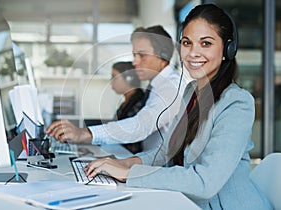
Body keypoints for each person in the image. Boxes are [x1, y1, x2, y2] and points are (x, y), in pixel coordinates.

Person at [83, 4, 272, 210]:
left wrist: (129, 173)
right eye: (187, 43)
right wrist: (125, 164)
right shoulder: (191, 92)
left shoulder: (236, 103)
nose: (193, 53)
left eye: (206, 43)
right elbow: (165, 154)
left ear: (228, 49)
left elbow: (205, 182)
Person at [46, 25, 185, 153]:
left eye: (142, 55)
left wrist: (85, 134)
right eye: (134, 55)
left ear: (163, 56)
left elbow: (141, 126)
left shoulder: (171, 87)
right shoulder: (157, 85)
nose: (135, 62)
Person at [111, 61, 145, 153]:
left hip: (131, 156)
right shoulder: (126, 102)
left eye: (114, 77)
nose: (111, 81)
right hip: (121, 150)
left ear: (129, 78)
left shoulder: (140, 102)